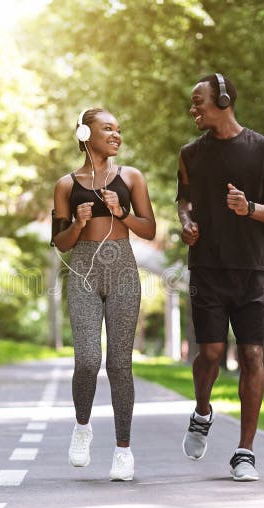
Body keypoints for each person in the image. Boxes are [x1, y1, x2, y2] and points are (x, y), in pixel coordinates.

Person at [175, 74, 264, 482]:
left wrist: (250, 208)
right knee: (209, 353)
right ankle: (202, 411)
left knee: (253, 355)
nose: (193, 110)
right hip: (206, 267)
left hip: (253, 270)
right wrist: (186, 222)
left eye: (198, 102)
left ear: (222, 100)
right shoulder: (189, 153)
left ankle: (245, 452)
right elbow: (184, 200)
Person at [51, 107, 156, 481]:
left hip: (123, 269)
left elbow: (149, 229)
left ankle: (123, 451)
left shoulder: (131, 177)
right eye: (107, 128)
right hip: (83, 270)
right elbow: (60, 243)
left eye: (119, 129)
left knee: (119, 365)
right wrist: (78, 224)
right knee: (88, 358)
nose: (116, 135)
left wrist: (122, 213)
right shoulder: (66, 184)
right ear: (85, 134)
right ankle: (82, 428)